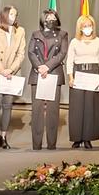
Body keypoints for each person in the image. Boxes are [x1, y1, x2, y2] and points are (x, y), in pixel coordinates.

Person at [0, 5, 26, 150]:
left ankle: (3, 136)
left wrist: (11, 69)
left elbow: (21, 54)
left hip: (12, 74)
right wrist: (2, 70)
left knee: (8, 105)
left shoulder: (20, 31)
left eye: (15, 15)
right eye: (11, 15)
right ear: (4, 16)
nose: (13, 17)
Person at [28, 9, 68, 150]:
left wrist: (47, 67)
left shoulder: (62, 34)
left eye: (53, 18)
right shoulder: (35, 34)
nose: (50, 21)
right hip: (37, 74)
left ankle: (52, 144)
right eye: (48, 18)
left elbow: (62, 53)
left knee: (52, 111)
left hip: (54, 74)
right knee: (37, 111)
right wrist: (40, 67)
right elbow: (31, 52)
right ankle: (36, 144)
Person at [66, 14, 99, 149]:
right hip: (78, 74)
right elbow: (69, 60)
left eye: (89, 26)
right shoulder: (74, 42)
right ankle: (77, 138)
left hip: (93, 74)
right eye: (85, 26)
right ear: (80, 28)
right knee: (77, 108)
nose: (87, 28)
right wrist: (70, 77)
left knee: (90, 107)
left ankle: (88, 138)